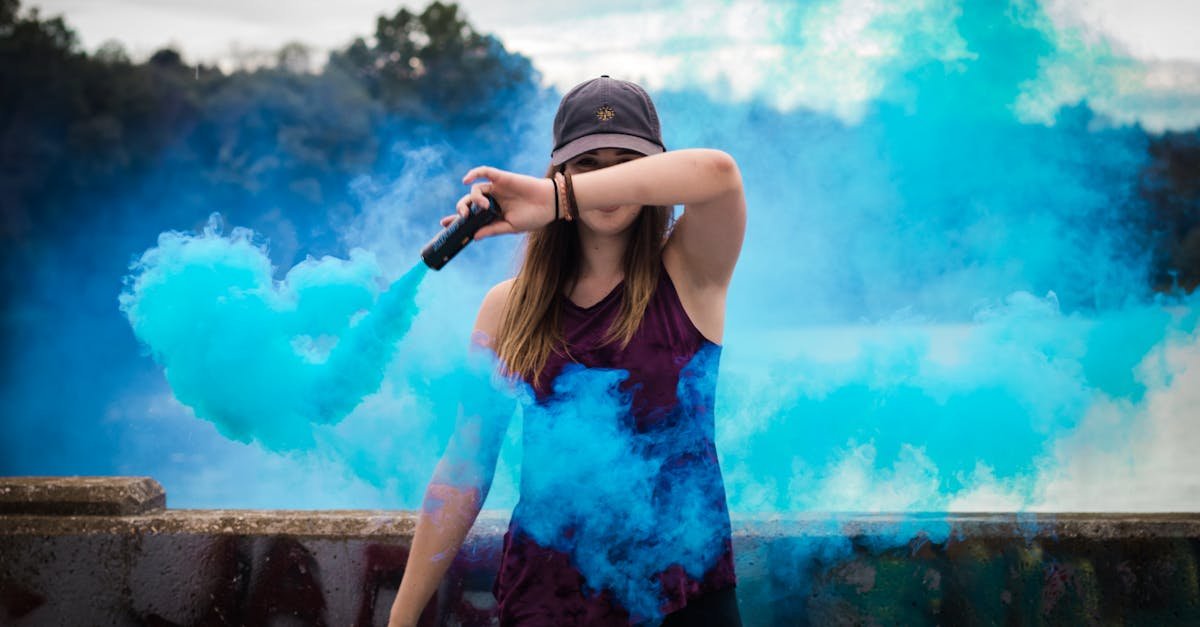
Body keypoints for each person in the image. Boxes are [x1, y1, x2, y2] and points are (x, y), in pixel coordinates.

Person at [389, 76, 746, 626]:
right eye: (587, 164)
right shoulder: (508, 307)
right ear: (559, 167)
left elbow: (718, 175)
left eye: (625, 163)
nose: (608, 179)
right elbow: (466, 464)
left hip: (684, 600)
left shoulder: (690, 274)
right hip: (544, 604)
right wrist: (403, 617)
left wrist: (559, 198)